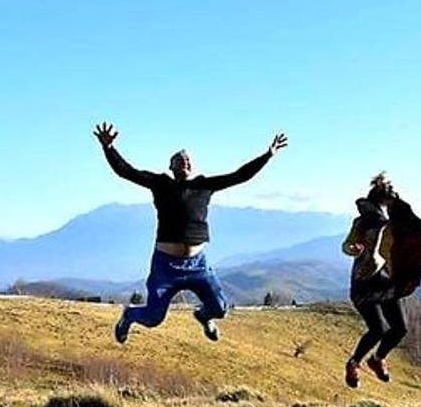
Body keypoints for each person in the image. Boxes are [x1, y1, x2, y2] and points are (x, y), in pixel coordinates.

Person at [94, 122, 287, 344]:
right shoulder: (160, 184)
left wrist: (268, 155)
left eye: (188, 160)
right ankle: (129, 315)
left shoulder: (204, 185)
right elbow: (126, 171)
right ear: (171, 166)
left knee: (220, 308)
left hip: (198, 265)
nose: (184, 161)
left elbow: (240, 175)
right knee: (153, 317)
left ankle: (203, 316)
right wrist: (109, 149)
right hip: (165, 266)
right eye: (179, 160)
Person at [342, 173, 421, 388]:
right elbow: (347, 245)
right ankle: (353, 364)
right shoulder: (362, 223)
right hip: (364, 282)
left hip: (386, 279)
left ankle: (377, 359)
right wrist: (354, 249)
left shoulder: (393, 224)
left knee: (400, 328)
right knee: (377, 328)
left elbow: (417, 230)